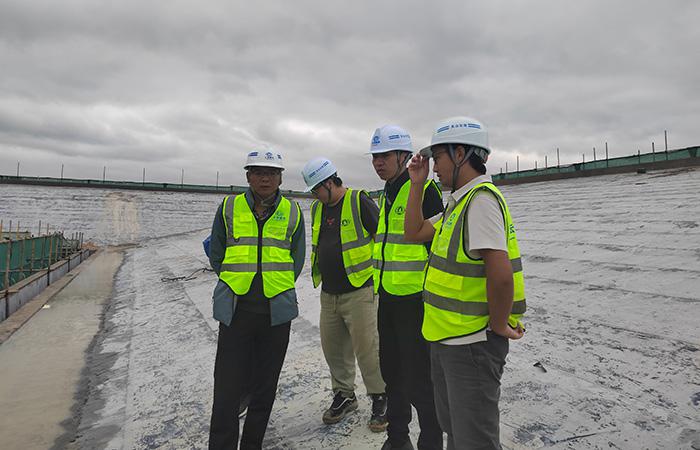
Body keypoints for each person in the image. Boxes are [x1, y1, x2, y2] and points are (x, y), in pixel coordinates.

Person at [404, 116, 527, 450]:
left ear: (460, 153)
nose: (434, 168)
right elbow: (413, 232)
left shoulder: (480, 202)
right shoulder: (457, 204)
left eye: (438, 158)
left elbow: (500, 275)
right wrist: (416, 186)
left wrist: (498, 324)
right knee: (457, 434)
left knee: (474, 440)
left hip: (472, 345)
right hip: (448, 339)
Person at [208, 150, 305, 450]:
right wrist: (234, 281)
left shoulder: (292, 211)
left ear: (280, 178)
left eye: (272, 173)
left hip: (276, 314)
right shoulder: (229, 207)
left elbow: (297, 258)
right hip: (236, 311)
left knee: (265, 388)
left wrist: (278, 285)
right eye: (259, 172)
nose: (266, 178)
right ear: (248, 176)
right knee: (227, 390)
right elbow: (217, 253)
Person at [369, 125, 444, 450]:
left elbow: (438, 246)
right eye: (375, 157)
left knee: (421, 382)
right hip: (388, 298)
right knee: (391, 374)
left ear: (403, 156)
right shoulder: (386, 193)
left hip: (416, 303)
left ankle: (430, 442)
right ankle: (397, 439)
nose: (378, 162)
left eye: (385, 156)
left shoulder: (424, 190)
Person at [301, 157, 388, 432]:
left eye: (316, 189)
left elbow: (383, 238)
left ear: (329, 182)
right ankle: (345, 395)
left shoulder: (358, 201)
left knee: (368, 349)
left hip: (360, 290)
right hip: (329, 293)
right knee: (334, 349)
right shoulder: (318, 208)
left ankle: (380, 397)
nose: (314, 195)